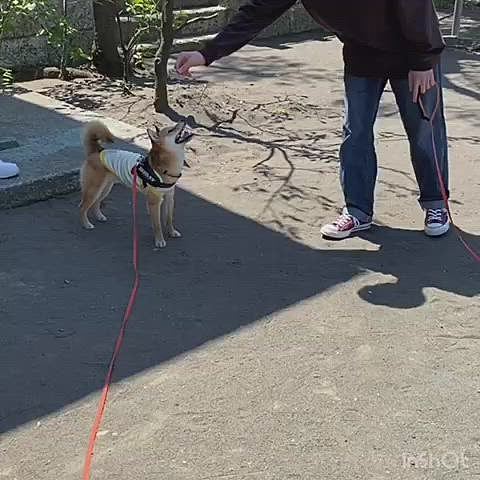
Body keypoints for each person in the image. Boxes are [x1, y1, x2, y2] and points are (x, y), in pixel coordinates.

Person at [176, 0, 451, 239]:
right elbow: (258, 11)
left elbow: (414, 5)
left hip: (411, 53)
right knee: (356, 132)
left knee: (424, 130)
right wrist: (207, 54)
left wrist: (423, 59)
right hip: (362, 53)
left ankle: (436, 204)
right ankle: (358, 211)